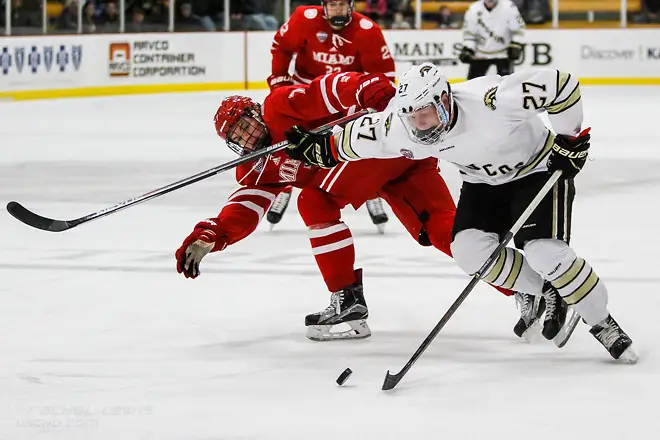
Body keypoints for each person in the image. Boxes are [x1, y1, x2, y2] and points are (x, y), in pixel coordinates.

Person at [283, 63, 638, 362]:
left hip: (537, 169)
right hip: (482, 182)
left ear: (445, 99)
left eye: (427, 112)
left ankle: (602, 322)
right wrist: (318, 149)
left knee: (543, 251)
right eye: (413, 116)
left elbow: (561, 85)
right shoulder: (402, 126)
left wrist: (569, 140)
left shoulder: (493, 102)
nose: (421, 123)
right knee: (468, 251)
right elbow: (360, 138)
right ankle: (550, 288)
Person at [174, 71, 532, 342]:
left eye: (246, 126)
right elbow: (246, 207)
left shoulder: (280, 105)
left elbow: (327, 90)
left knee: (315, 199)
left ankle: (346, 297)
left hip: (379, 147)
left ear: (256, 112)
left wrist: (364, 88)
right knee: (443, 232)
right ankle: (528, 287)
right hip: (399, 168)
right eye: (237, 137)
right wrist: (213, 235)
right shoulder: (255, 165)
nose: (247, 137)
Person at [266, 0, 396, 233]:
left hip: (346, 99)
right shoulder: (304, 19)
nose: (338, 10)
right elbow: (282, 46)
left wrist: (373, 102)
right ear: (324, 7)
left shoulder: (367, 31)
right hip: (306, 96)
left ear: (351, 6)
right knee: (287, 141)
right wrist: (280, 81)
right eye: (333, 5)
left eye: (342, 5)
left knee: (359, 144)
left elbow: (383, 75)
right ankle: (283, 187)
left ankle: (371, 192)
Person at [459, 0, 525, 80]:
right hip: (480, 54)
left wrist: (515, 45)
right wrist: (469, 49)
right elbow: (469, 34)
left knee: (506, 85)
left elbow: (518, 29)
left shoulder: (509, 7)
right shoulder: (474, 8)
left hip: (503, 54)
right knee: (472, 85)